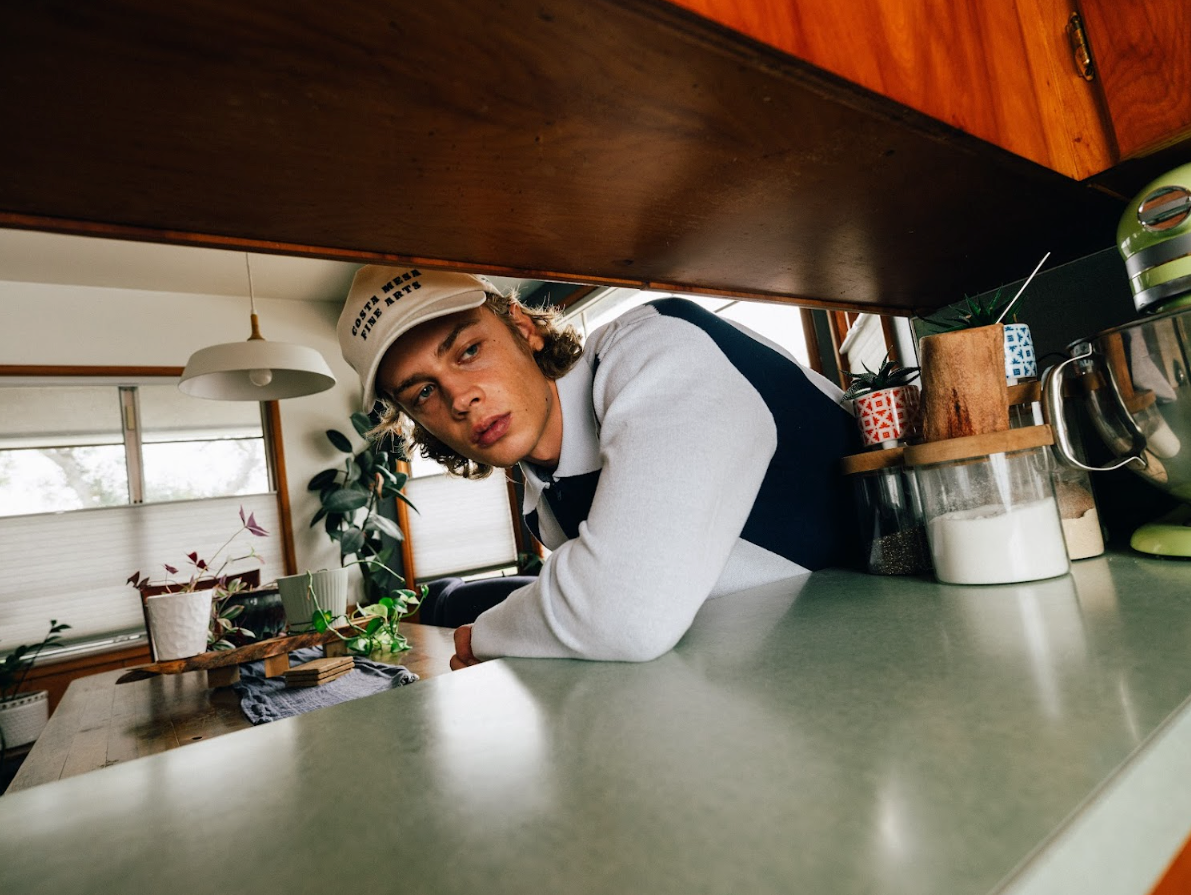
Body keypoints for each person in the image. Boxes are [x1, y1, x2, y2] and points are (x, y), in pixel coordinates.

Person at [337, 266, 859, 669]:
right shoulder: (541, 505)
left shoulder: (655, 347)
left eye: (469, 350)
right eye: (423, 391)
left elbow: (626, 615)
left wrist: (486, 634)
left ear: (523, 328)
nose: (460, 397)